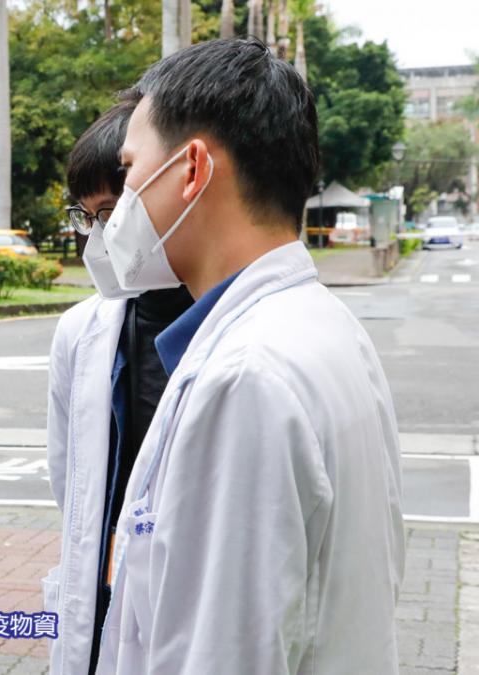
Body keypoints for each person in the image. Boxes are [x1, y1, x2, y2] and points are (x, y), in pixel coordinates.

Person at [92, 38, 403, 673]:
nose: (120, 208)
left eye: (128, 172)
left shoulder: (244, 377)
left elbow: (223, 652)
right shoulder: (326, 326)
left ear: (191, 169)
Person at [44, 98, 195, 675]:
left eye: (111, 210)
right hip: (105, 589)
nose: (101, 235)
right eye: (88, 217)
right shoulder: (81, 331)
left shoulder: (226, 326)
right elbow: (72, 482)